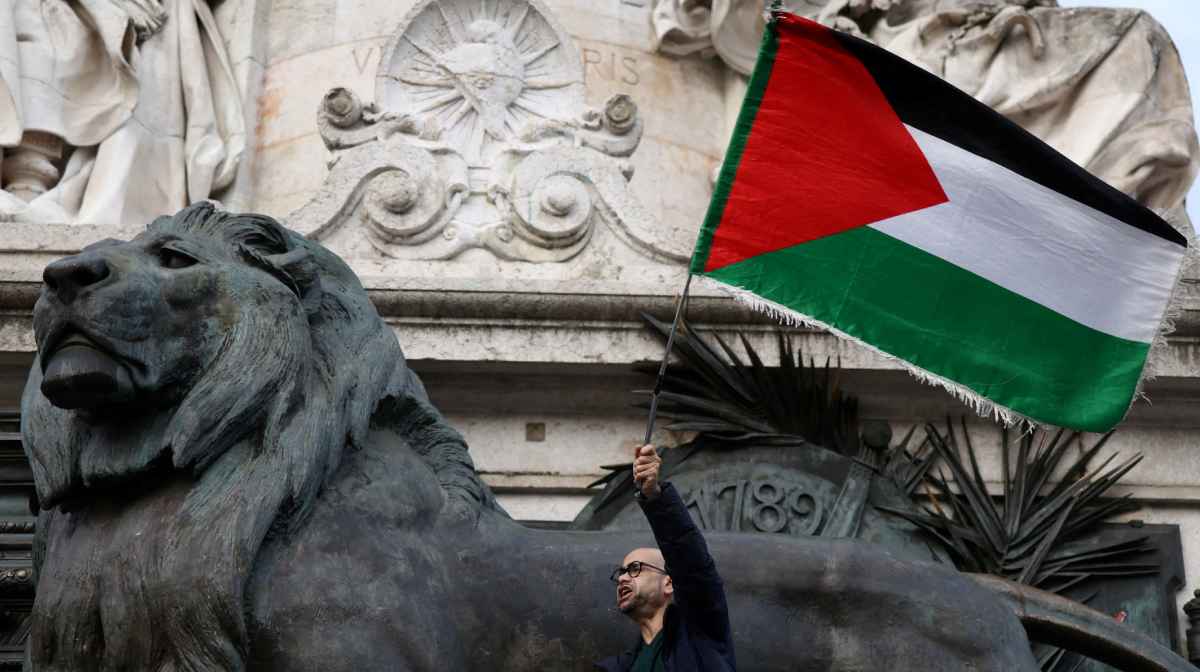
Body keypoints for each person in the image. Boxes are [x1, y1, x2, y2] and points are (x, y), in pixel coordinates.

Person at [595, 444, 736, 671]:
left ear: (668, 583)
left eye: (634, 569)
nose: (622, 579)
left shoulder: (701, 640)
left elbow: (690, 562)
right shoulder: (623, 666)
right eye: (621, 572)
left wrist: (655, 497)